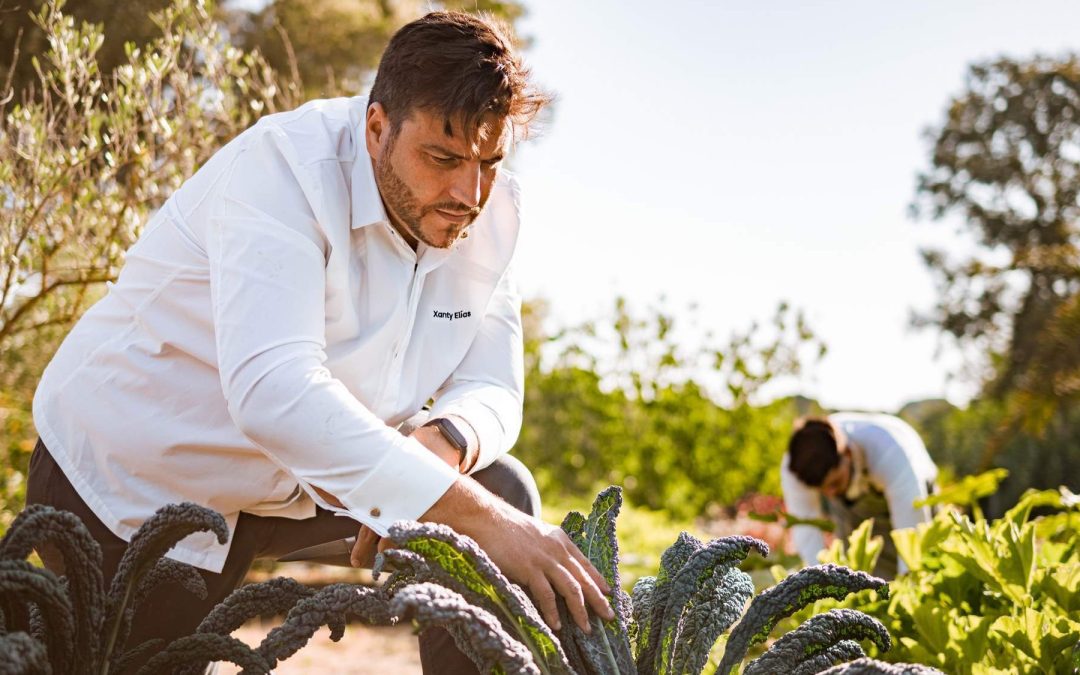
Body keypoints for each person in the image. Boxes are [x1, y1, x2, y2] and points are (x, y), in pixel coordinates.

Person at [27, 11, 613, 673]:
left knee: (496, 486)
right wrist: (458, 509)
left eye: (488, 162)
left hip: (302, 487)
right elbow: (275, 393)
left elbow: (494, 385)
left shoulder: (490, 211)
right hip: (132, 478)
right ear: (376, 128)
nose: (468, 194)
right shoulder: (282, 170)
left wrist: (441, 445)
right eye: (442, 158)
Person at [780, 412, 938, 578]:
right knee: (859, 573)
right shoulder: (795, 469)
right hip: (855, 498)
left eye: (835, 483)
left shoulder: (890, 453)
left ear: (847, 454)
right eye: (822, 489)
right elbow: (807, 532)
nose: (830, 494)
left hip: (916, 490)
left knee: (932, 561)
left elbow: (912, 537)